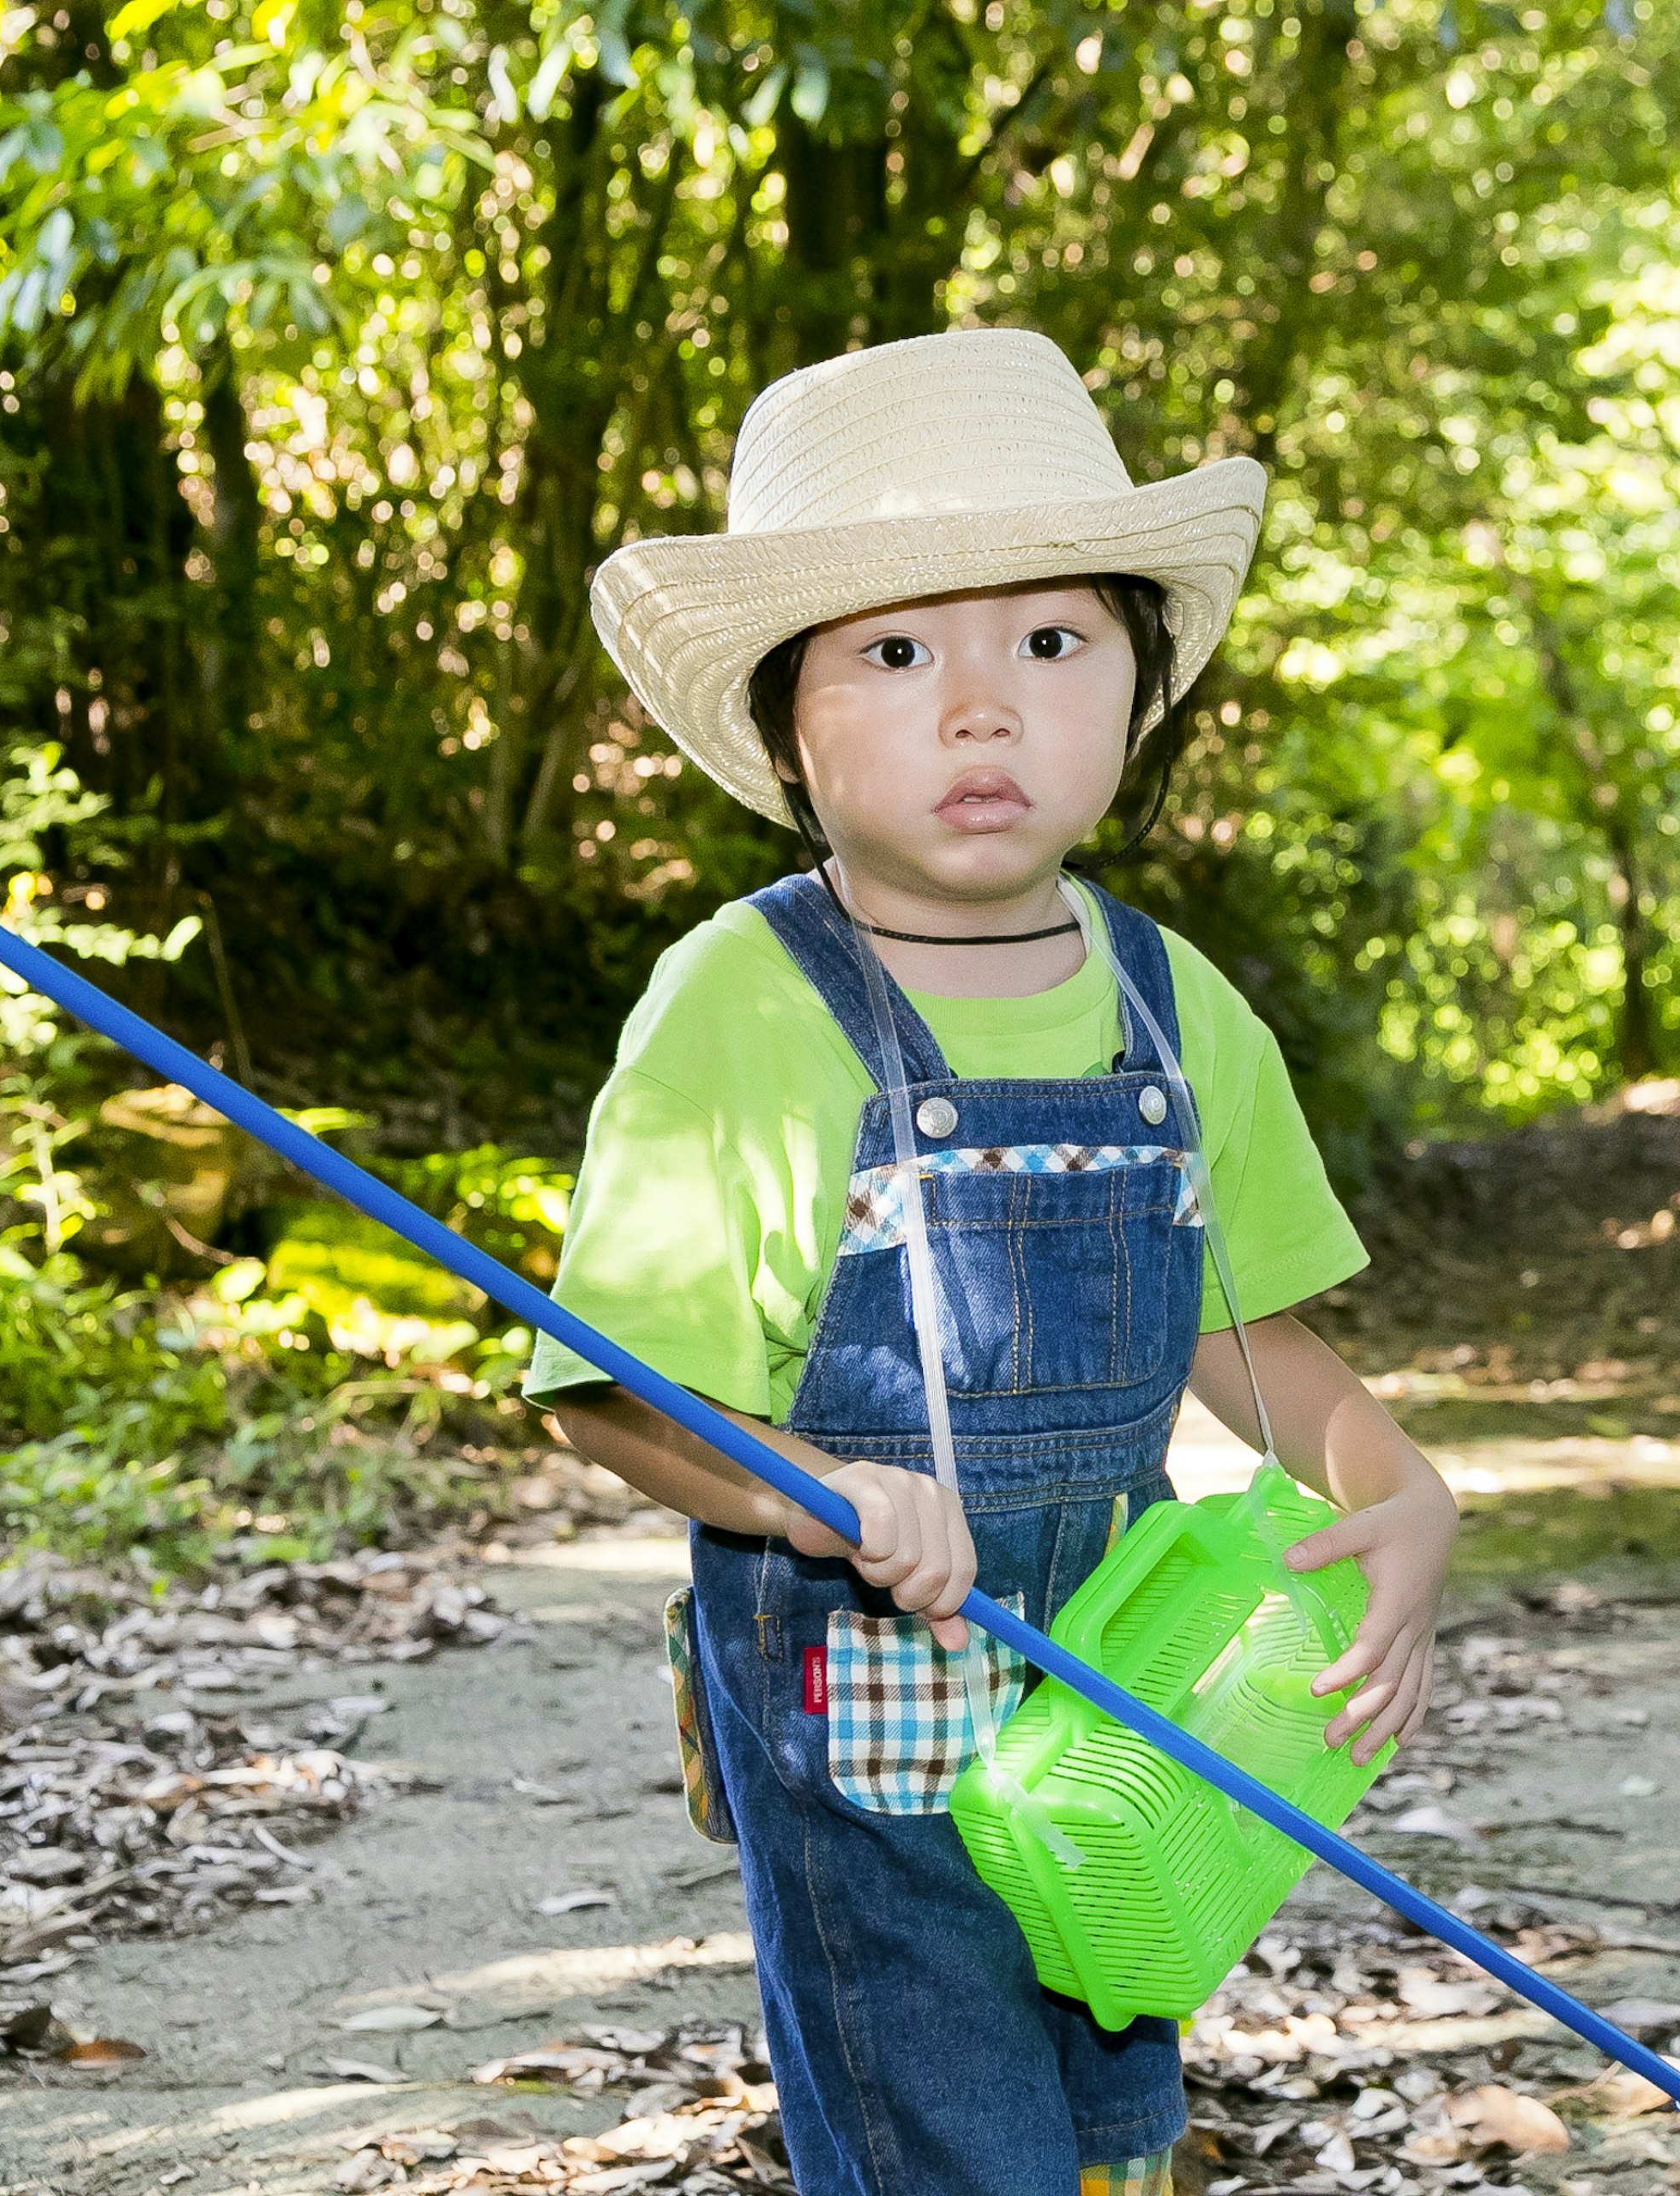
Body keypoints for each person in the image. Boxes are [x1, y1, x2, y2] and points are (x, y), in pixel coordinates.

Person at [519, 327, 1460, 2196]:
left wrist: (1397, 1483)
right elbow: (611, 1395)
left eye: (1051, 641)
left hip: (1117, 1708)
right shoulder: (746, 1006)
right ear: (795, 718)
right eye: (897, 648)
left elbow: (1247, 1328)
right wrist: (811, 1491)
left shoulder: (1173, 1007)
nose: (983, 707)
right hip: (868, 1718)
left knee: (1113, 2133)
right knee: (951, 2144)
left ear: (1138, 685)